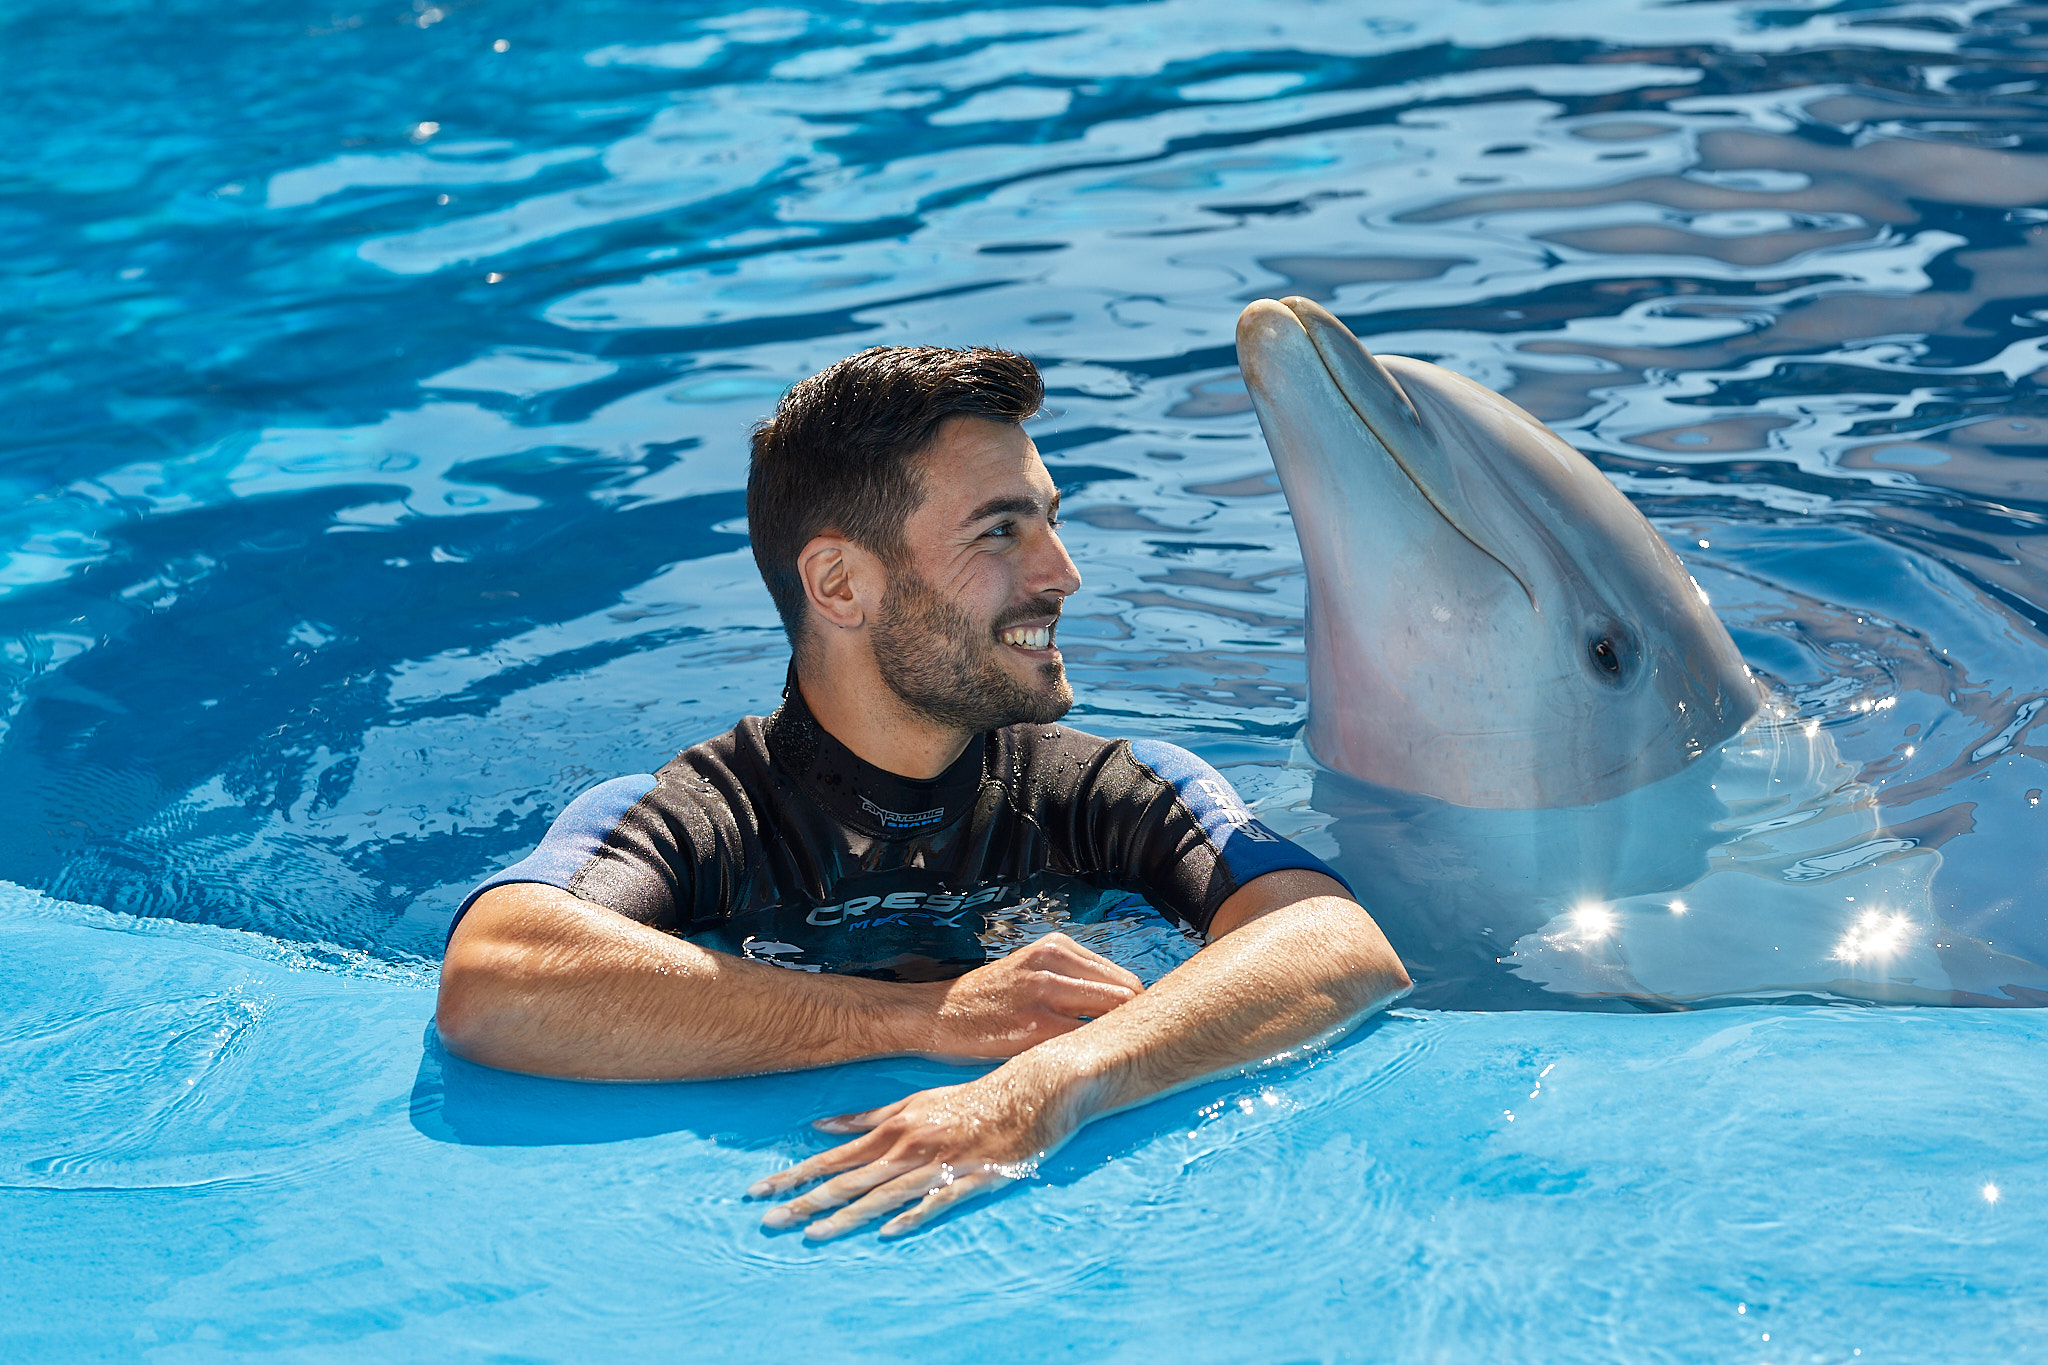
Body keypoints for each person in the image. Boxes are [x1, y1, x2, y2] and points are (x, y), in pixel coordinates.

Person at [436, 345, 1411, 1240]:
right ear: (839, 585)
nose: (1063, 574)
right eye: (1000, 532)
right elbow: (495, 980)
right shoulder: (706, 814)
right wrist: (923, 1017)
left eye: (1051, 521)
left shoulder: (1099, 789)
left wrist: (1049, 1085)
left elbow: (1336, 941)